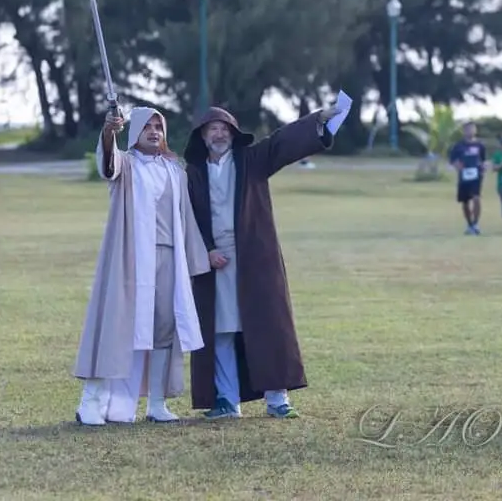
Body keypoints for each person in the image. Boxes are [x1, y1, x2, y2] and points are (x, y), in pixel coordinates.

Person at [183, 105, 338, 420]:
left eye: (224, 128)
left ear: (233, 133)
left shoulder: (251, 160)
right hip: (214, 262)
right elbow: (188, 218)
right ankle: (227, 401)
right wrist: (207, 250)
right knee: (221, 330)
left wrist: (317, 120)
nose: (219, 134)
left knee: (267, 325)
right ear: (202, 135)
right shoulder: (193, 173)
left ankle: (277, 399)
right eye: (212, 129)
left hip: (254, 255)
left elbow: (281, 141)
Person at [72, 107, 211, 426]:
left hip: (168, 258)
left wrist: (198, 259)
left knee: (164, 328)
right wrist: (109, 132)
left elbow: (186, 218)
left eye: (158, 127)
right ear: (135, 132)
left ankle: (157, 404)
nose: (153, 132)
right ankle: (91, 402)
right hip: (130, 258)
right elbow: (108, 164)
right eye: (147, 126)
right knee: (116, 325)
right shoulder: (128, 165)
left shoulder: (174, 171)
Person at [448, 122, 487, 235]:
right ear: (464, 131)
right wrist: (457, 166)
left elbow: (483, 159)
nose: (471, 131)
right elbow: (452, 160)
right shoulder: (458, 145)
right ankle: (469, 224)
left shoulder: (480, 145)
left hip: (476, 176)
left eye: (473, 129)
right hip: (464, 177)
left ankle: (475, 224)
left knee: (476, 198)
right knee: (465, 202)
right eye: (468, 129)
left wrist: (483, 167)